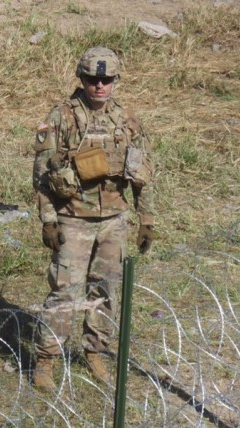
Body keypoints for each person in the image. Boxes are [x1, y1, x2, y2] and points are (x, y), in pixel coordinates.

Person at [30, 46, 155, 391]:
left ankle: (96, 351)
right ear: (81, 78)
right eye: (92, 79)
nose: (99, 86)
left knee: (105, 290)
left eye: (106, 80)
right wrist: (48, 219)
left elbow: (141, 173)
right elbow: (43, 173)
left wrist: (146, 218)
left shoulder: (127, 121)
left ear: (116, 81)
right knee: (65, 292)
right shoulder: (62, 118)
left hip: (114, 219)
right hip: (73, 218)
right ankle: (46, 359)